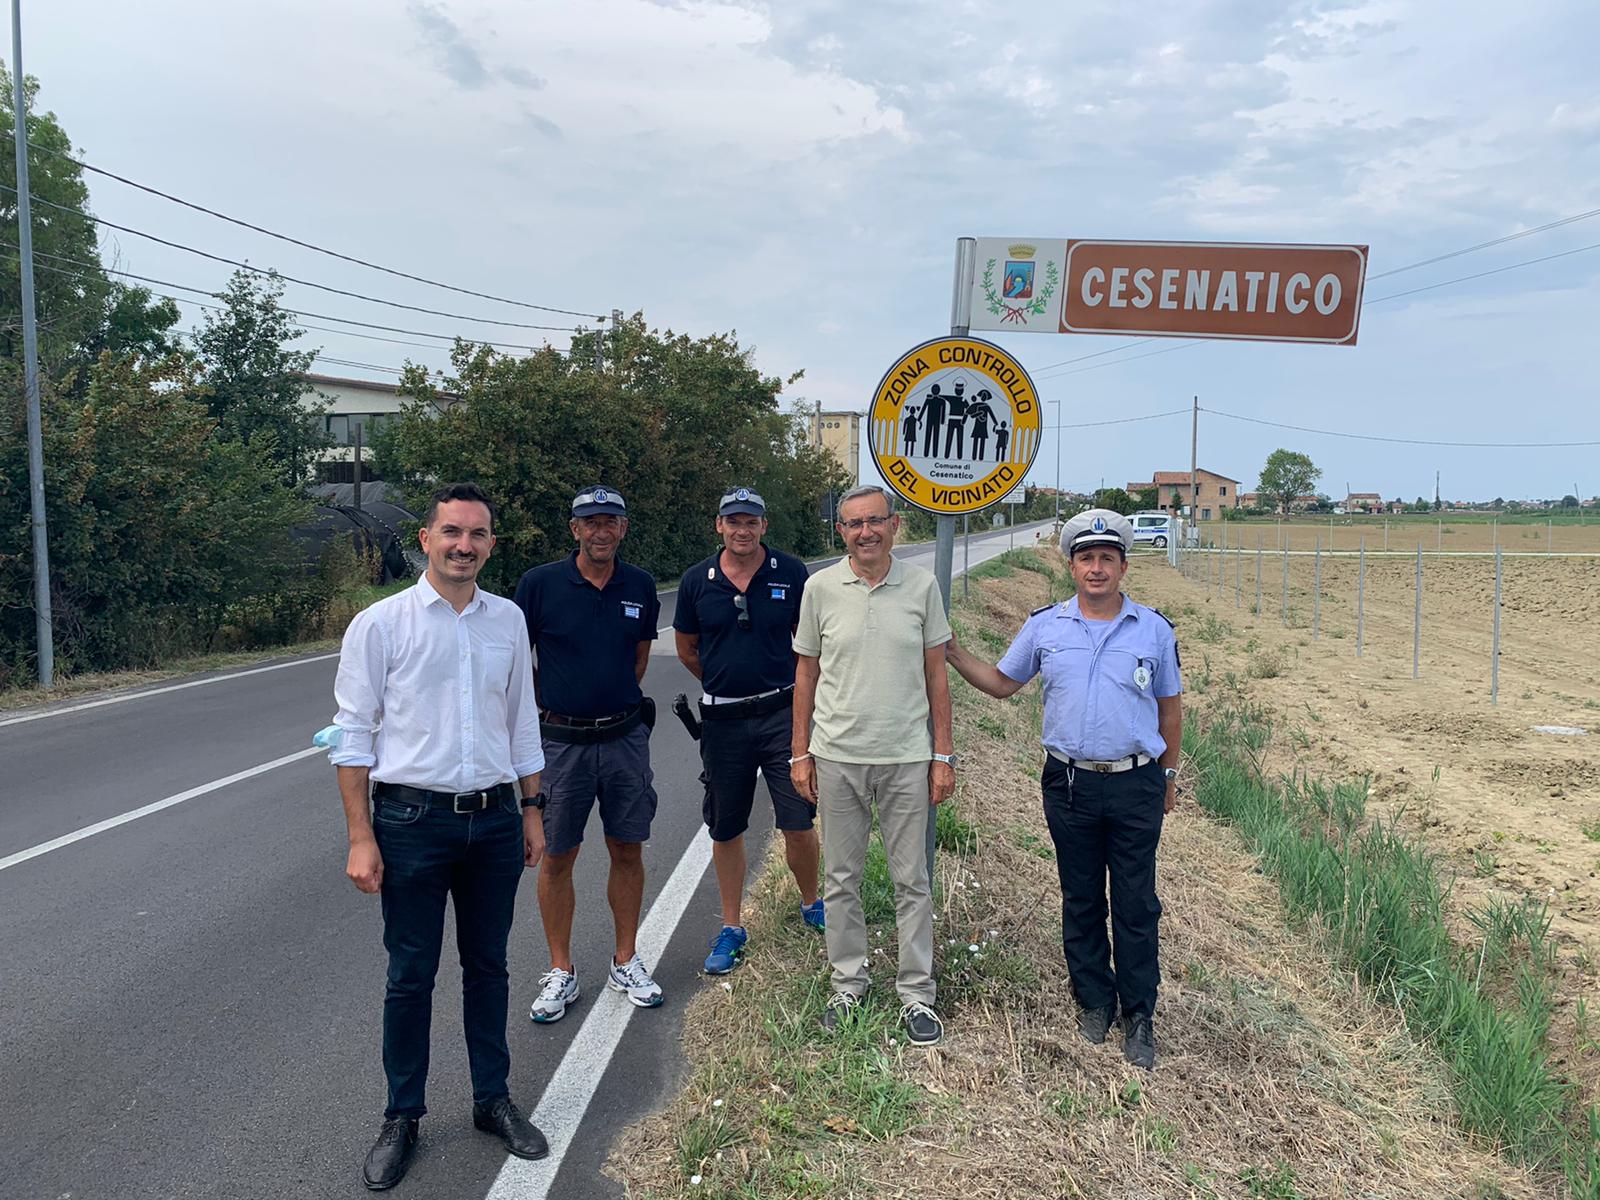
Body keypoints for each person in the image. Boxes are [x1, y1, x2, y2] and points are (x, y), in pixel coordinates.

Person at [328, 482, 550, 1191]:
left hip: (491, 821)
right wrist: (361, 835)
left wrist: (532, 809)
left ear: (491, 543)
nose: (463, 545)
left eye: (477, 534)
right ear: (425, 539)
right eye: (451, 532)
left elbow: (521, 721)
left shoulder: (508, 620)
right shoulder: (380, 625)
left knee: (489, 967)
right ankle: (402, 1117)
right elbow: (352, 735)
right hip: (410, 823)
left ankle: (492, 1101)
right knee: (410, 974)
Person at [944, 508, 1182, 1070]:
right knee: (1080, 899)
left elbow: (1170, 710)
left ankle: (1139, 1014)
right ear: (1070, 565)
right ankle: (1095, 1001)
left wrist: (1169, 775)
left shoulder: (1153, 629)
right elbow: (1003, 684)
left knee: (1136, 903)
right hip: (1069, 782)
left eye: (1106, 558)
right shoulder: (1045, 626)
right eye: (1086, 558)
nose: (1096, 568)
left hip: (1136, 783)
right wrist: (952, 652)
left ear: (1124, 566)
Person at [790, 485, 956, 1046]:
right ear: (841, 531)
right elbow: (806, 676)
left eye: (875, 522)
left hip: (908, 756)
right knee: (841, 878)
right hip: (838, 755)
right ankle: (848, 984)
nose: (866, 532)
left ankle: (916, 994)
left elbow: (938, 676)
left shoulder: (923, 586)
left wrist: (942, 754)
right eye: (854, 524)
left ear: (896, 525)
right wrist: (800, 752)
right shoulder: (820, 589)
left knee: (913, 880)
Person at [512, 486, 664, 1023]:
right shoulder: (540, 584)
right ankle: (562, 971)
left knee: (628, 849)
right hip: (560, 744)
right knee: (556, 855)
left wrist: (609, 702)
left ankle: (626, 960)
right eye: (590, 522)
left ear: (623, 528)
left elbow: (639, 659)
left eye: (611, 522)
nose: (601, 531)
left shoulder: (641, 586)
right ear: (574, 529)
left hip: (624, 738)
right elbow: (516, 658)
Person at [674, 487, 822, 975]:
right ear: (719, 525)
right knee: (726, 825)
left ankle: (811, 902)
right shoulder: (698, 580)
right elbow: (688, 648)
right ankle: (733, 926)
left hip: (783, 714)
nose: (742, 529)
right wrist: (726, 684)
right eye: (733, 521)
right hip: (722, 722)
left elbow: (808, 643)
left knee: (798, 817)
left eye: (751, 521)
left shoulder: (792, 572)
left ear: (763, 526)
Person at [919, 385, 947, 458]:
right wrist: (919, 418)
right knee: (933, 436)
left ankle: (930, 454)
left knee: (933, 436)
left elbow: (943, 411)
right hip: (932, 420)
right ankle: (930, 454)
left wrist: (942, 421)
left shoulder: (939, 401)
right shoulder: (938, 400)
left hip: (933, 420)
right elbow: (923, 409)